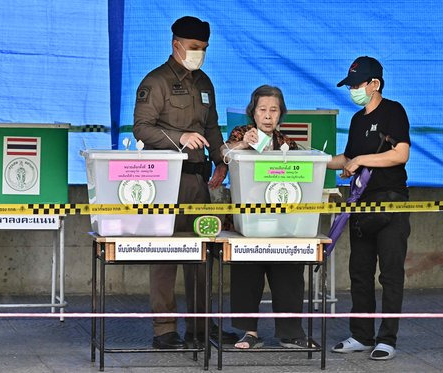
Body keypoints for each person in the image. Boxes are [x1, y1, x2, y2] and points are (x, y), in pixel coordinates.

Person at [133, 16, 236, 349]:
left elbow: (212, 128)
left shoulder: (205, 83)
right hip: (164, 180)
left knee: (202, 253)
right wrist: (180, 137)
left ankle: (201, 326)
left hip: (198, 181)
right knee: (165, 254)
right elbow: (142, 129)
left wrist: (222, 160)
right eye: (194, 47)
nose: (199, 54)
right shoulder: (156, 81)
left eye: (204, 48)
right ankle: (164, 330)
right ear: (176, 43)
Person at [329, 56, 411, 360]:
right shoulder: (356, 119)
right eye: (350, 85)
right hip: (361, 205)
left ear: (374, 84)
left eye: (356, 84)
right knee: (359, 272)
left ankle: (387, 338)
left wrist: (362, 161)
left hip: (391, 202)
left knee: (390, 273)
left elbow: (400, 154)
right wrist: (311, 160)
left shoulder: (394, 111)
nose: (353, 90)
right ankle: (361, 335)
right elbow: (347, 157)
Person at [222, 85, 309, 349]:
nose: (268, 115)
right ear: (253, 113)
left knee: (288, 270)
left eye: (274, 110)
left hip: (281, 218)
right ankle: (249, 332)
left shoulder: (286, 143)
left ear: (280, 114)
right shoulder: (241, 134)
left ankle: (290, 331)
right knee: (248, 271)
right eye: (263, 110)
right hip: (248, 219)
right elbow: (224, 153)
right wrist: (242, 144)